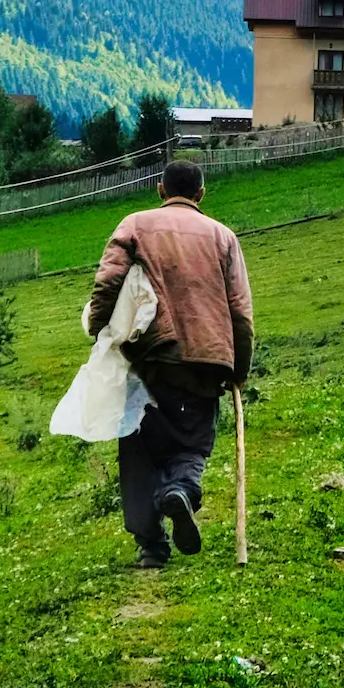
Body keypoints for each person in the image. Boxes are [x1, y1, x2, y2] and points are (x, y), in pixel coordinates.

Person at [83, 157, 253, 568]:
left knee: (139, 446)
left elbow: (108, 282)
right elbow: (240, 311)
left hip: (149, 358)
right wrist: (239, 367)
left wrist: (99, 327)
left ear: (160, 190)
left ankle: (151, 546)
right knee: (193, 441)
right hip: (206, 360)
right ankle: (181, 488)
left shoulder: (133, 225)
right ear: (201, 194)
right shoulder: (224, 237)